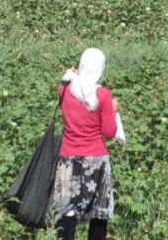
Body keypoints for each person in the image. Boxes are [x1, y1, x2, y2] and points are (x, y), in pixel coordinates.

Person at [52, 48, 118, 240]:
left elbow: (70, 81)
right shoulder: (103, 95)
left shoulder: (63, 89)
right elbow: (109, 132)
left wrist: (71, 74)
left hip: (68, 158)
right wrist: (113, 110)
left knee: (67, 211)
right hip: (96, 160)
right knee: (99, 212)